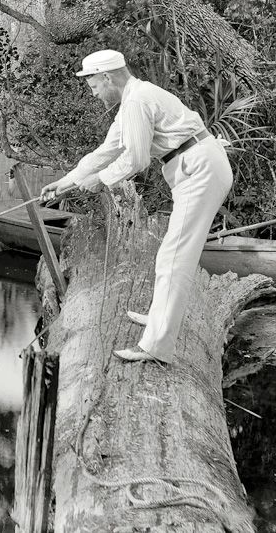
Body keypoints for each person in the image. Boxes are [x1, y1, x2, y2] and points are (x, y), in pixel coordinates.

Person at [39, 49, 233, 365]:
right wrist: (66, 182)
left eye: (95, 86)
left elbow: (137, 159)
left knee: (174, 258)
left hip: (201, 170)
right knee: (171, 255)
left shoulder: (137, 102)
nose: (94, 92)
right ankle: (159, 320)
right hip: (196, 167)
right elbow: (107, 151)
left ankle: (156, 348)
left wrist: (102, 181)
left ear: (108, 76)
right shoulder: (133, 100)